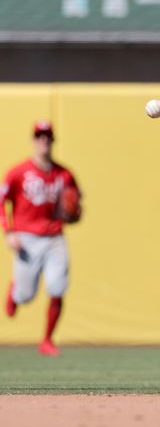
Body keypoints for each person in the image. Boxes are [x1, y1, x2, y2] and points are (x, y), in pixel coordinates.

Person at [0, 120, 81, 356]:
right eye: (39, 136)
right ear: (33, 140)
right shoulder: (18, 173)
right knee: (26, 296)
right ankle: (15, 291)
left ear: (53, 140)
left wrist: (74, 210)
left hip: (54, 237)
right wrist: (9, 231)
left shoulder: (64, 174)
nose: (43, 140)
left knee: (57, 287)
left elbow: (75, 203)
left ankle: (47, 340)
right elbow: (2, 201)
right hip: (26, 238)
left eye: (47, 136)